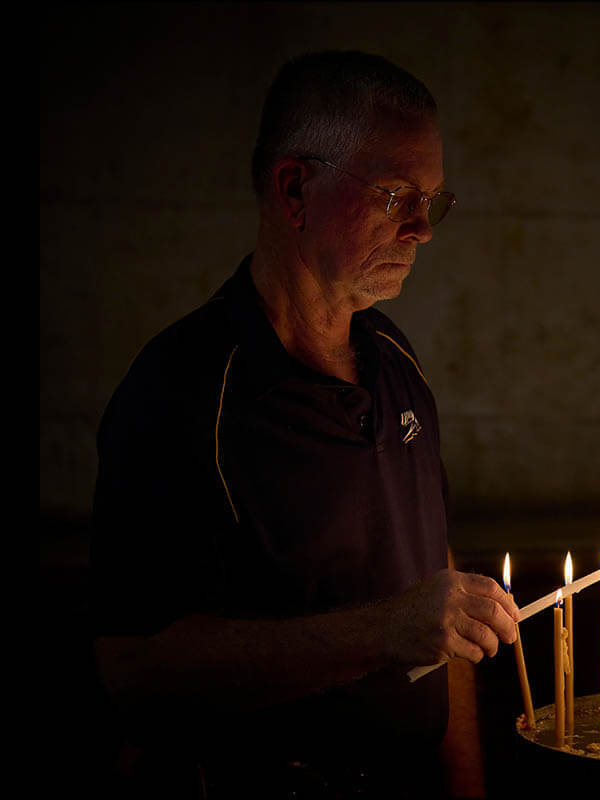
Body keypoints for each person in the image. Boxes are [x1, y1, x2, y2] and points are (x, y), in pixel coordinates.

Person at [90, 51, 519, 797]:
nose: (422, 229)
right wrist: (384, 631)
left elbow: (434, 592)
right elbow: (134, 674)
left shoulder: (395, 361)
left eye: (433, 200)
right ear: (295, 189)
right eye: (395, 195)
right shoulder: (182, 390)